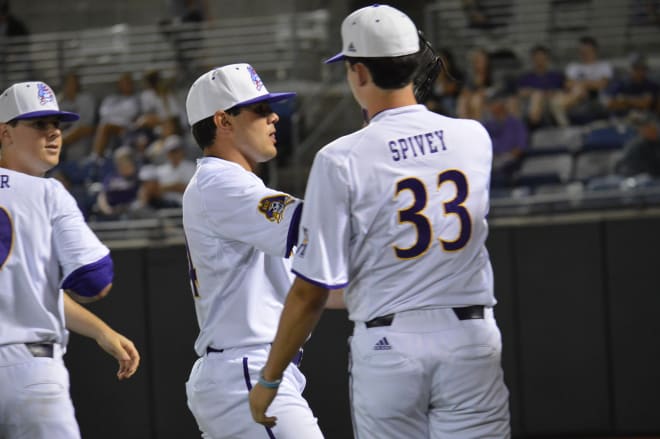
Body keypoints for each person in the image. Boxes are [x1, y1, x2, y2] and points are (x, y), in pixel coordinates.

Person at [249, 5, 511, 439]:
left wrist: (270, 380)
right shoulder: (473, 137)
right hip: (471, 337)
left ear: (359, 73)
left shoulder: (341, 157)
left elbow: (312, 289)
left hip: (390, 344)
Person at [182, 64, 334, 439]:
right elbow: (309, 220)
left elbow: (315, 281)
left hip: (246, 369)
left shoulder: (239, 190)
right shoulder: (220, 180)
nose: (274, 117)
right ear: (223, 121)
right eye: (260, 110)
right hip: (244, 370)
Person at [0, 81, 140, 439]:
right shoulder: (47, 192)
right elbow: (95, 280)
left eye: (57, 125)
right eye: (38, 124)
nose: (53, 133)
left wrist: (100, 331)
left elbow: (26, 285)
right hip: (29, 372)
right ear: (5, 133)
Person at [551, 36, 613, 126]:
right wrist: (584, 85)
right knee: (558, 98)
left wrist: (583, 85)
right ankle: (565, 125)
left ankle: (563, 119)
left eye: (587, 50)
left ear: (594, 50)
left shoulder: (604, 66)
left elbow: (602, 84)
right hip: (575, 95)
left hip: (595, 96)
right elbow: (568, 84)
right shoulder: (573, 66)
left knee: (576, 91)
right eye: (581, 50)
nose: (584, 53)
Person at [516, 44, 565, 128]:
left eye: (542, 58)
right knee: (537, 95)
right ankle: (532, 122)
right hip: (530, 105)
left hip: (552, 104)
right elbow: (520, 92)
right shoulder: (527, 78)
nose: (540, 61)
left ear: (547, 59)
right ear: (533, 59)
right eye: (537, 58)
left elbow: (562, 91)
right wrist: (534, 92)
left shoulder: (556, 76)